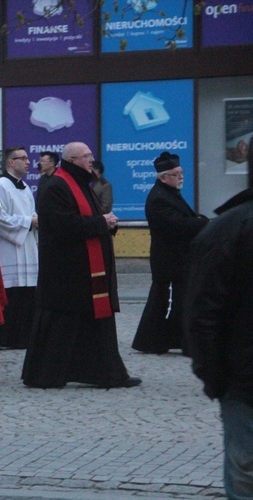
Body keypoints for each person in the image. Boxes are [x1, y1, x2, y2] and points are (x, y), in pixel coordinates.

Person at [22, 142, 141, 389]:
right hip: (66, 272)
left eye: (90, 155)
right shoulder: (56, 186)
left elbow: (90, 218)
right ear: (73, 160)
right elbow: (63, 225)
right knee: (62, 325)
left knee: (94, 325)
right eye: (86, 156)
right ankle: (47, 374)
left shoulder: (81, 183)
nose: (91, 159)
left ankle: (106, 373)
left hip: (84, 270)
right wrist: (101, 222)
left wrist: (108, 222)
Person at [185, 183, 253, 499]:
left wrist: (212, 373)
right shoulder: (230, 228)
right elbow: (202, 313)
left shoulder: (226, 228)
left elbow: (201, 312)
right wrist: (214, 374)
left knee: (245, 473)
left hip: (241, 378)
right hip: (242, 378)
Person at [132, 152, 208, 355]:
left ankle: (166, 341)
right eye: (176, 173)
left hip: (177, 258)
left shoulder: (169, 193)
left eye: (181, 172)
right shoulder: (159, 198)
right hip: (169, 260)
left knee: (177, 301)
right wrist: (202, 222)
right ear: (163, 177)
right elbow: (176, 225)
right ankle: (154, 341)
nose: (181, 176)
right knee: (167, 301)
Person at [0, 147, 38, 349]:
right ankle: (6, 338)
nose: (28, 162)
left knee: (27, 294)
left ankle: (25, 337)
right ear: (11, 162)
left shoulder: (26, 187)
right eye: (23, 158)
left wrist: (33, 221)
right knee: (12, 295)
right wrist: (30, 221)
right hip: (9, 248)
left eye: (28, 158)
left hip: (27, 245)